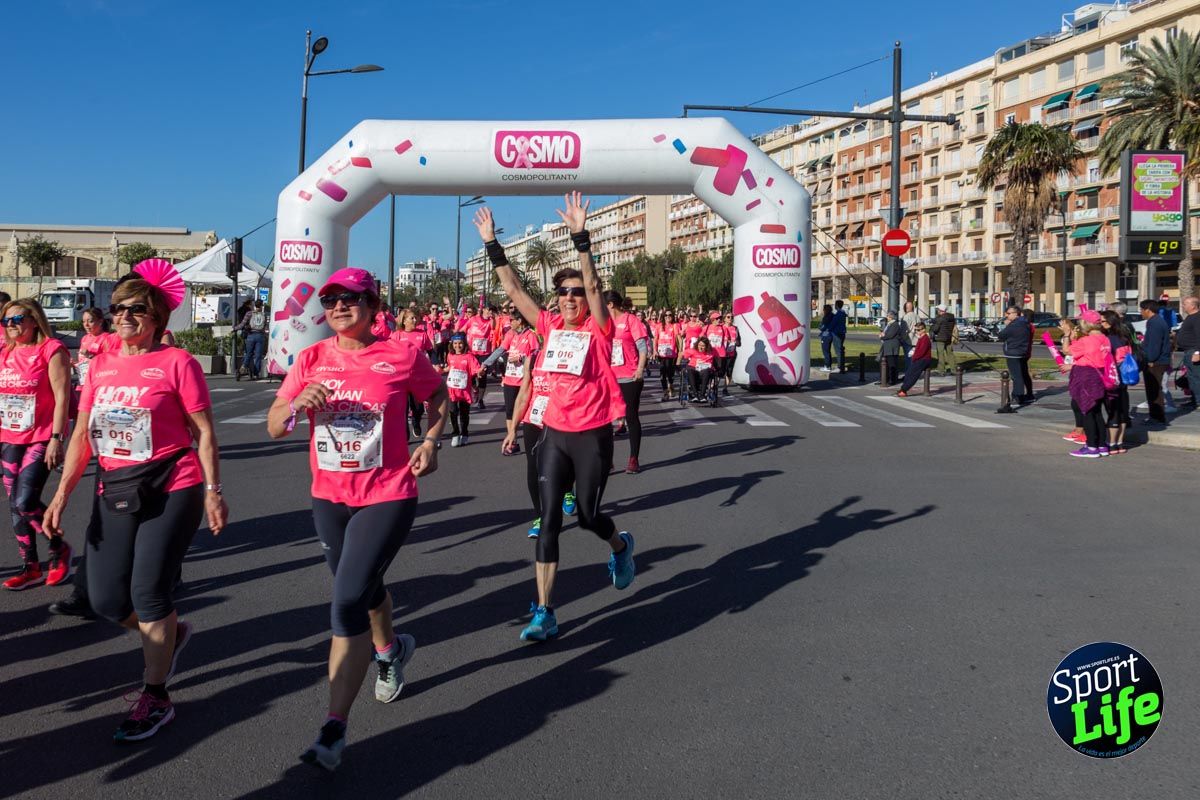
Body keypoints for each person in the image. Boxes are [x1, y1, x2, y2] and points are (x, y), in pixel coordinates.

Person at [266, 266, 448, 771]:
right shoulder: (311, 359)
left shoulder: (401, 355)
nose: (339, 307)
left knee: (346, 600)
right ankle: (390, 649)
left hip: (387, 493)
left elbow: (438, 396)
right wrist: (293, 403)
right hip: (329, 496)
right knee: (365, 587)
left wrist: (431, 441)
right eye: (330, 300)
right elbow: (275, 425)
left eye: (350, 298)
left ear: (372, 305)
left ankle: (333, 728)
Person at [43, 259, 228, 742]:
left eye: (137, 310)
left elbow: (204, 433)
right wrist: (61, 495)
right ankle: (170, 632)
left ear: (157, 319)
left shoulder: (177, 363)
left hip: (174, 483)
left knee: (149, 593)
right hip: (117, 487)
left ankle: (156, 695)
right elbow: (83, 433)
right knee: (105, 598)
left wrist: (213, 491)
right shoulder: (100, 366)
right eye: (119, 308)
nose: (125, 316)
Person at [475, 193, 634, 643]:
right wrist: (492, 245)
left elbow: (597, 287)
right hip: (554, 434)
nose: (569, 298)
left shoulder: (599, 329)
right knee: (548, 520)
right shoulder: (547, 325)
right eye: (562, 293)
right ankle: (545, 611)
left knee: (586, 516)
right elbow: (513, 291)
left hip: (593, 435)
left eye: (575, 293)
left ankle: (620, 547)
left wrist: (581, 239)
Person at [1, 299, 72, 590]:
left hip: (41, 436)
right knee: (14, 506)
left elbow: (62, 397)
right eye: (6, 321)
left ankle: (58, 548)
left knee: (25, 501)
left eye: (17, 319)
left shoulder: (51, 350)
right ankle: (30, 565)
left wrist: (57, 438)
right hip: (9, 437)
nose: (11, 325)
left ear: (34, 320)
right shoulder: (4, 353)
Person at [1059, 313, 1115, 457]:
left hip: (1086, 376)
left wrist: (1066, 335)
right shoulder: (1105, 338)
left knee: (1088, 411)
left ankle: (1091, 447)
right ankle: (1101, 445)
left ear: (1086, 323)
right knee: (1097, 412)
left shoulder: (1087, 341)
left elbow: (1067, 350)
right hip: (1101, 375)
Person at [607, 291, 649, 474]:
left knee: (631, 416)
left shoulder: (630, 320)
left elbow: (642, 347)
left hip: (630, 376)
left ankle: (633, 458)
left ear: (610, 304)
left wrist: (640, 369)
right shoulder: (604, 323)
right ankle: (607, 459)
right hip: (609, 377)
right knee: (605, 420)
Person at [491, 313, 539, 456]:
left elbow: (536, 353)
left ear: (520, 321)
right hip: (510, 379)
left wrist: (522, 358)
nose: (509, 323)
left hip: (524, 380)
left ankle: (534, 441)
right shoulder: (511, 334)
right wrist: (486, 363)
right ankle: (513, 442)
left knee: (526, 411)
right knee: (510, 411)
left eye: (512, 320)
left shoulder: (530, 335)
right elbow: (501, 349)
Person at [393, 309, 434, 438]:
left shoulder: (422, 334)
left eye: (415, 318)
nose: (415, 320)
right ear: (404, 321)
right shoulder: (397, 335)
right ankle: (405, 433)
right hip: (401, 376)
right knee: (403, 408)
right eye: (412, 318)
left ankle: (416, 421)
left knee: (418, 407)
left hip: (418, 376)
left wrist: (436, 363)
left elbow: (431, 351)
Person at [1101, 309, 1132, 454]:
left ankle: (1112, 443)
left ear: (1109, 322)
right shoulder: (1124, 337)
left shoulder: (1108, 340)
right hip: (1125, 377)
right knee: (1122, 410)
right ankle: (1120, 443)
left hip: (1112, 377)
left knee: (1112, 411)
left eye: (1102, 321)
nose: (1100, 324)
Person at [441, 333, 480, 447]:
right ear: (452, 345)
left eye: (460, 343)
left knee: (464, 414)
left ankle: (464, 433)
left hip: (464, 391)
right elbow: (449, 367)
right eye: (455, 344)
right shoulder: (450, 355)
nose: (458, 346)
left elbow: (476, 368)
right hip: (452, 390)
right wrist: (441, 370)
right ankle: (455, 434)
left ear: (464, 344)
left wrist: (480, 372)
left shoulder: (469, 356)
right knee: (452, 412)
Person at [1140, 299, 1172, 424]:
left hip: (1156, 362)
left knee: (1154, 389)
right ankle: (1156, 416)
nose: (1141, 312)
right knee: (1154, 389)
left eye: (1142, 310)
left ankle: (1157, 417)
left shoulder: (1155, 323)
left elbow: (1154, 344)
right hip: (1158, 360)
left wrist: (1150, 359)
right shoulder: (1156, 321)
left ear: (1148, 310)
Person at [998, 306, 1031, 404]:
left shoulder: (1015, 325)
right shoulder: (1025, 323)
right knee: (1021, 374)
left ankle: (1018, 395)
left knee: (1016, 375)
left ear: (1016, 314)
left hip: (1013, 352)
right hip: (1022, 352)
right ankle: (1022, 395)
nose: (1006, 316)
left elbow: (1001, 336)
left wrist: (1007, 326)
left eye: (1008, 313)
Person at [1175, 296, 1200, 407]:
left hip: (1193, 351)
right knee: (1191, 378)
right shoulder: (1191, 317)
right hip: (1187, 351)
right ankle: (1194, 400)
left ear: (1193, 306)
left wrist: (1197, 352)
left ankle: (1198, 402)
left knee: (1196, 378)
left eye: (1185, 304)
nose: (1183, 306)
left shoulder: (1197, 318)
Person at [236, 299, 270, 380]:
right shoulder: (264, 315)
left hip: (250, 335)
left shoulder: (249, 313)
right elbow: (265, 326)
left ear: (255, 305)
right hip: (260, 336)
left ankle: (242, 369)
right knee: (258, 355)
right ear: (262, 306)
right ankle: (256, 373)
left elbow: (242, 324)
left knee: (249, 354)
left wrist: (235, 328)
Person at [896, 322, 932, 397]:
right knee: (909, 373)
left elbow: (921, 352)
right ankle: (903, 389)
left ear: (924, 330)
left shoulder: (925, 339)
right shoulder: (921, 338)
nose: (917, 332)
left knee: (913, 375)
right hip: (919, 358)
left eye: (918, 330)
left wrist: (914, 357)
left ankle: (904, 390)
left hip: (924, 359)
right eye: (916, 330)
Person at [679, 335, 718, 402]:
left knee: (706, 371)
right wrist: (678, 364)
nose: (701, 347)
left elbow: (717, 360)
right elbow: (681, 354)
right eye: (699, 345)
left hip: (705, 371)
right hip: (694, 369)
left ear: (706, 346)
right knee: (689, 370)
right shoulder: (693, 350)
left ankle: (702, 395)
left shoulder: (712, 352)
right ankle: (695, 395)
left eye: (703, 346)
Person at [655, 310, 681, 400]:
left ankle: (671, 385)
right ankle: (665, 392)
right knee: (662, 373)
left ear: (672, 316)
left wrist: (680, 351)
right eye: (666, 315)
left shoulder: (675, 326)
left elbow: (679, 339)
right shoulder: (659, 326)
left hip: (672, 354)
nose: (667, 316)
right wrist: (655, 350)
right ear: (663, 316)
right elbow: (655, 339)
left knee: (670, 374)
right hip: (661, 354)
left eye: (670, 315)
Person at [928, 304, 957, 376]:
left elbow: (935, 329)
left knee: (940, 354)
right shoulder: (951, 317)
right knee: (950, 354)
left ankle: (941, 371)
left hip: (940, 338)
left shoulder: (940, 318)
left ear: (941, 311)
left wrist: (932, 325)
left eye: (938, 310)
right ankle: (954, 370)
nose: (937, 311)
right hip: (948, 337)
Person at [878, 311, 902, 388]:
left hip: (892, 346)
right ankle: (885, 379)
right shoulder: (890, 324)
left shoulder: (895, 325)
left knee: (892, 364)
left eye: (888, 316)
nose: (887, 317)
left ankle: (892, 380)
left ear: (891, 317)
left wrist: (882, 336)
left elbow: (890, 335)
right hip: (888, 346)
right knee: (887, 363)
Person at [830, 299, 848, 372]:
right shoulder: (843, 313)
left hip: (837, 333)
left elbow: (833, 324)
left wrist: (827, 329)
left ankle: (840, 367)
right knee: (840, 350)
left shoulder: (838, 314)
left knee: (838, 350)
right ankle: (841, 366)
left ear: (837, 305)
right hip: (842, 332)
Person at [818, 304, 835, 372]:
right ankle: (828, 365)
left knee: (825, 351)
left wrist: (820, 327)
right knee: (828, 351)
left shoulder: (826, 317)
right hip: (830, 335)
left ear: (825, 310)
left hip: (825, 335)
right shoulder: (832, 316)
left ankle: (827, 366)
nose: (823, 310)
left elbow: (822, 326)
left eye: (824, 309)